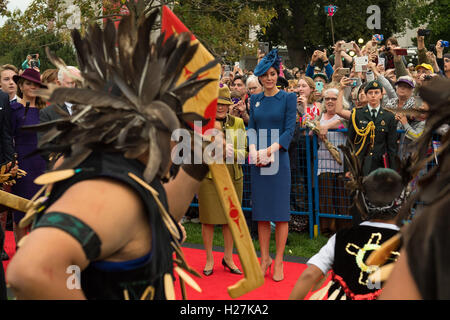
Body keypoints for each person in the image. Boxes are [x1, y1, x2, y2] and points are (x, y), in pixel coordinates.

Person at [6, 12, 219, 300]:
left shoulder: (129, 173)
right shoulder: (109, 189)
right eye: (180, 127)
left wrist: (197, 162)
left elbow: (162, 213)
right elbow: (32, 270)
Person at [379, 77, 450, 300]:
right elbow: (390, 91)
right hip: (409, 166)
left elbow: (419, 135)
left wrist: (405, 124)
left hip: (425, 169)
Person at [290, 168, 407, 300]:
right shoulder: (412, 243)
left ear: (362, 202)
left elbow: (310, 275)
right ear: (403, 204)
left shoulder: (342, 237)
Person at [248, 49, 297, 282]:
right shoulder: (254, 99)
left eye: (273, 73)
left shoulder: (288, 98)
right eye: (265, 75)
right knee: (261, 213)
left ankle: (279, 260)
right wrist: (253, 149)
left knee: (279, 214)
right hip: (258, 160)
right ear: (259, 78)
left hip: (279, 160)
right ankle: (264, 258)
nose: (269, 78)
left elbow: (289, 131)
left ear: (278, 74)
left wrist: (269, 150)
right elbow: (252, 129)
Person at [199, 84, 246, 276]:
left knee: (231, 220)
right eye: (216, 103)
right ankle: (209, 258)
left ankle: (228, 257)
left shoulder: (238, 123)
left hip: (233, 176)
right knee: (208, 220)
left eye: (224, 104)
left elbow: (243, 154)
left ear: (229, 105)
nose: (220, 107)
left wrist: (231, 152)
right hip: (208, 177)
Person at [10, 68, 47, 244]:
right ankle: (20, 250)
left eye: (35, 84)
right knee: (21, 211)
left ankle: (35, 251)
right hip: (22, 165)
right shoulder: (13, 109)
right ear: (21, 86)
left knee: (40, 210)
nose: (32, 87)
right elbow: (6, 137)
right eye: (28, 83)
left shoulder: (46, 111)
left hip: (43, 165)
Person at [347, 80, 398, 177]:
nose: (373, 95)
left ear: (381, 95)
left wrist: (393, 170)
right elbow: (349, 143)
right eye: (370, 93)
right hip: (360, 163)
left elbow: (392, 147)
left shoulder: (389, 117)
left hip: (380, 164)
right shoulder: (357, 114)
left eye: (376, 92)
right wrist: (348, 168)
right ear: (366, 95)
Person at [316, 88, 350, 235]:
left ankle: (343, 230)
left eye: (333, 99)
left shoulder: (344, 116)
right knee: (326, 197)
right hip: (324, 164)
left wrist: (326, 127)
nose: (330, 101)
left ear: (340, 101)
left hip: (342, 163)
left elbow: (342, 124)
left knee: (342, 199)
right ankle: (327, 230)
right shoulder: (319, 117)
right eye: (327, 99)